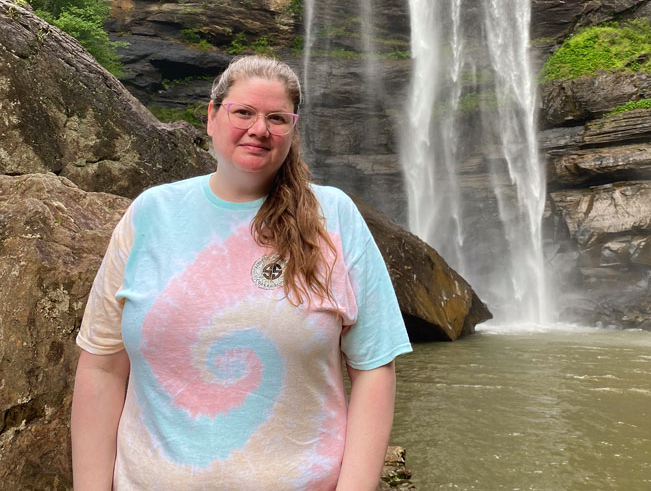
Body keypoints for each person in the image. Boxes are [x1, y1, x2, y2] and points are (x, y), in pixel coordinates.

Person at [71, 53, 413, 490]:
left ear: (292, 130)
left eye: (277, 117)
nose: (259, 129)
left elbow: (374, 369)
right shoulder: (151, 213)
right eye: (244, 112)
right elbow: (101, 367)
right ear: (212, 116)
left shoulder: (334, 216)